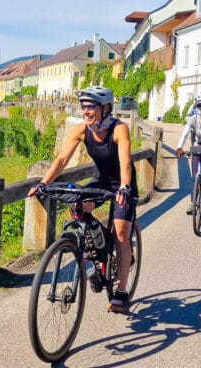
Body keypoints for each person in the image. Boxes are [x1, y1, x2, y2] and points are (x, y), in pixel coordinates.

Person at [27, 85, 137, 313]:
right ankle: (95, 246)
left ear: (105, 108)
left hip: (123, 184)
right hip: (101, 181)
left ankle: (121, 291)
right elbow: (61, 160)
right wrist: (43, 183)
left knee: (120, 234)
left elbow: (125, 162)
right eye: (84, 107)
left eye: (91, 107)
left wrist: (125, 187)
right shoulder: (81, 130)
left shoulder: (119, 129)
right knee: (78, 207)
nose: (86, 111)